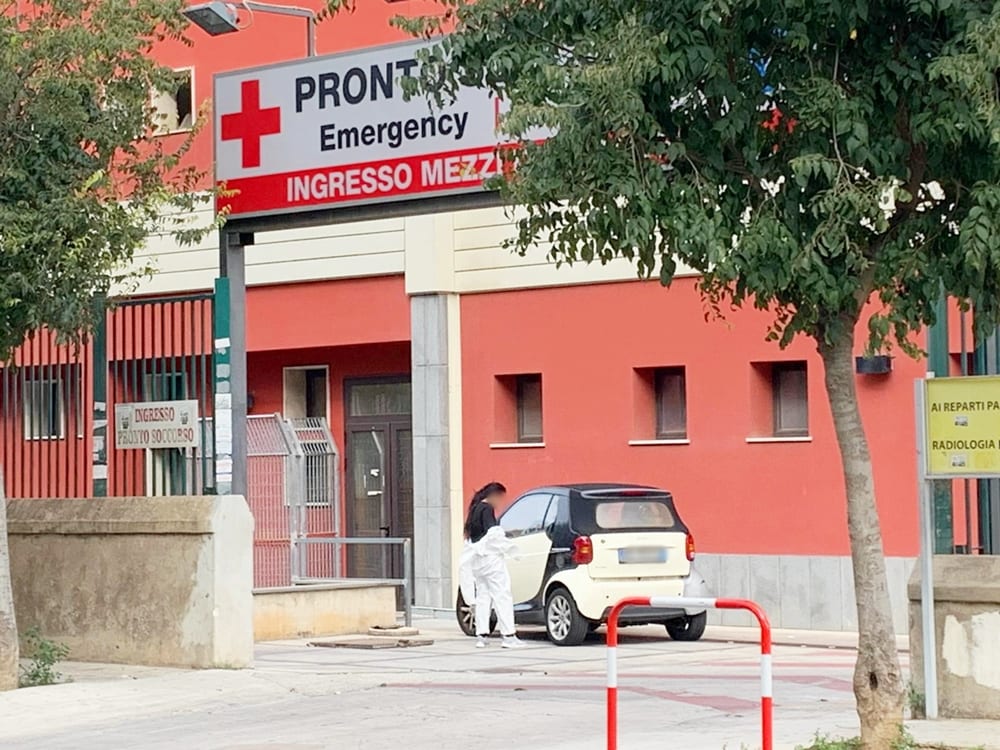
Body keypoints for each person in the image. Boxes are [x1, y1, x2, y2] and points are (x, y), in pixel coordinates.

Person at [460, 482, 524, 649]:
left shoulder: (474, 509)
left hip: (477, 562)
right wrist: (511, 549)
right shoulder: (487, 509)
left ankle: (481, 636)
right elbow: (493, 534)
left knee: (483, 597)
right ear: (495, 495)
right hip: (491, 560)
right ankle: (509, 636)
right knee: (502, 595)